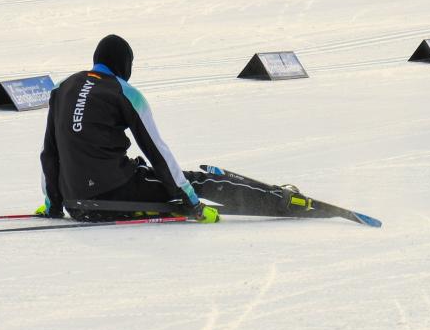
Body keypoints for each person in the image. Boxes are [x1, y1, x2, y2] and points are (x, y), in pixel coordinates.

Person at [37, 34, 296, 222]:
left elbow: (50, 153)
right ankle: (280, 200)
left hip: (75, 203)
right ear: (124, 64)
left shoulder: (63, 87)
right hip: (112, 196)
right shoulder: (124, 92)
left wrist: (54, 204)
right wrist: (190, 201)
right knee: (197, 180)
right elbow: (157, 151)